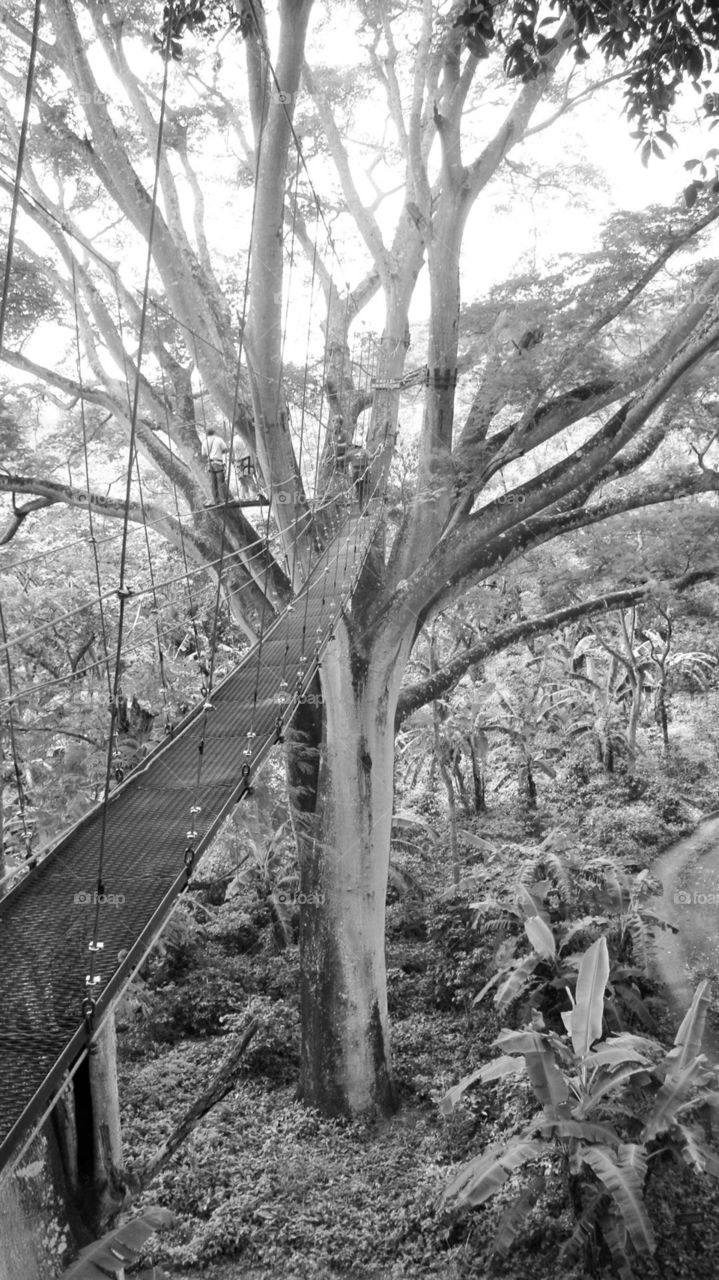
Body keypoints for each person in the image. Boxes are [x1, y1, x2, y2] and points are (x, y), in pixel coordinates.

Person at [201, 427, 230, 505]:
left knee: (213, 483)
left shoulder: (205, 442)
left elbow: (203, 455)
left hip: (210, 464)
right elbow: (225, 450)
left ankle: (216, 500)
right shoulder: (219, 440)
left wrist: (209, 454)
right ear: (214, 432)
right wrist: (219, 451)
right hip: (218, 463)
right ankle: (223, 499)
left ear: (207, 434)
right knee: (221, 482)